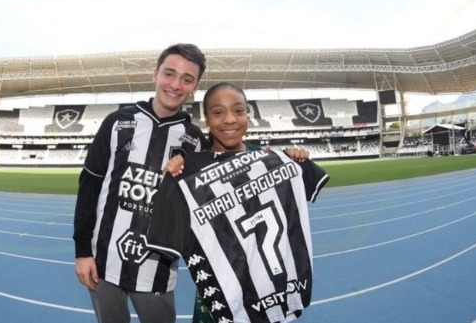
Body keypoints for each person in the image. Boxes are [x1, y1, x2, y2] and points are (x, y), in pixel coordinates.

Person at [151, 82, 328, 323]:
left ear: (248, 114)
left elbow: (304, 184)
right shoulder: (189, 170)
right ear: (206, 119)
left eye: (238, 110)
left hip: (270, 293)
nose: (230, 120)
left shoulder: (273, 159)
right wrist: (173, 178)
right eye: (217, 112)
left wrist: (297, 161)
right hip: (218, 296)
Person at [73, 43, 207, 323]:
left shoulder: (195, 142)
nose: (175, 84)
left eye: (187, 79)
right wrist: (83, 251)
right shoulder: (117, 122)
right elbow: (90, 186)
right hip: (103, 265)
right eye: (169, 74)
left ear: (195, 86)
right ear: (155, 74)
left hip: (157, 271)